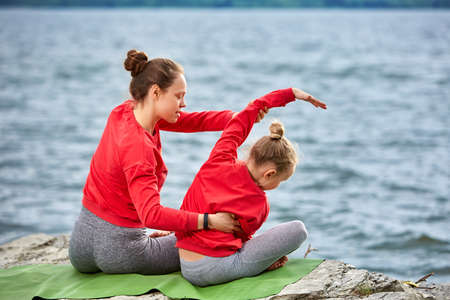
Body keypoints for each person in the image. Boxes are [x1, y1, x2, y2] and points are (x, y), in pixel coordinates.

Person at [68, 49, 269, 275]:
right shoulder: (139, 149)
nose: (183, 104)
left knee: (190, 232)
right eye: (178, 96)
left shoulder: (125, 111)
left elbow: (192, 121)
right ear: (156, 92)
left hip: (80, 246)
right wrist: (208, 221)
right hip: (122, 252)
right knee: (213, 242)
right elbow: (151, 215)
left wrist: (240, 117)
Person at [176, 88, 327, 286]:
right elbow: (244, 241)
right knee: (298, 230)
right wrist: (266, 257)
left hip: (185, 262)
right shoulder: (260, 203)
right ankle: (262, 265)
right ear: (269, 173)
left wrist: (291, 93)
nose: (277, 185)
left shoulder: (220, 157)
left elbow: (246, 115)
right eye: (280, 180)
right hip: (216, 270)